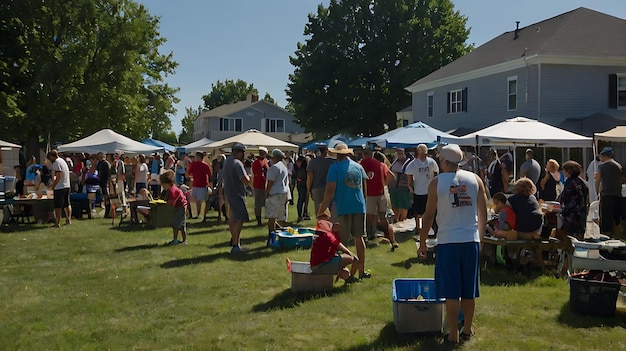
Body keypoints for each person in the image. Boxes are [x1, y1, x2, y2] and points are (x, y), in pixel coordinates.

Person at [417, 144, 487, 344]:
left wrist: (422, 241)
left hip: (448, 241)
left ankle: (453, 333)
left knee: (451, 291)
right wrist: (480, 238)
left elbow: (429, 215)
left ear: (444, 161)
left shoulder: (437, 183)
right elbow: (483, 212)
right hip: (470, 240)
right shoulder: (476, 179)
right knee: (469, 290)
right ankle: (467, 330)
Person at [317, 142, 370, 280]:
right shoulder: (358, 166)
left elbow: (329, 191)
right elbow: (364, 189)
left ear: (336, 154)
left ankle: (345, 273)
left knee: (341, 242)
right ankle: (362, 271)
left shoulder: (334, 168)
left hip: (342, 207)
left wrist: (321, 210)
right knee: (359, 238)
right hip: (359, 206)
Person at [360, 147, 397, 250]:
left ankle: (366, 237)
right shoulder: (381, 164)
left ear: (364, 154)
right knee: (384, 217)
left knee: (369, 217)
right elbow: (391, 175)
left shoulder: (362, 163)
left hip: (370, 194)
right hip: (381, 193)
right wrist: (384, 185)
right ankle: (391, 240)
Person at [311, 210, 359, 283]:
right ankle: (347, 276)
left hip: (316, 265)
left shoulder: (320, 232)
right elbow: (339, 246)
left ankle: (348, 279)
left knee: (345, 272)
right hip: (320, 266)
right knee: (349, 258)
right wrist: (353, 256)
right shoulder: (328, 234)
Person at [222, 143, 251, 253]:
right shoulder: (237, 163)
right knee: (240, 219)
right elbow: (244, 179)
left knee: (233, 219)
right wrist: (250, 178)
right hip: (237, 194)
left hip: (229, 193)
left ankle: (235, 241)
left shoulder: (227, 161)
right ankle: (235, 244)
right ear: (239, 152)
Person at [405, 144, 439, 232]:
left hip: (429, 191)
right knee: (417, 210)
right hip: (418, 191)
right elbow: (409, 176)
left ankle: (426, 226)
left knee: (428, 210)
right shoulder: (414, 164)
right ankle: (417, 226)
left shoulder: (431, 162)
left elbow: (436, 173)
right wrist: (410, 187)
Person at [595, 146, 622, 235]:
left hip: (606, 193)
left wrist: (597, 191)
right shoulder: (618, 166)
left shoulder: (602, 167)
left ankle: (606, 234)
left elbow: (598, 181)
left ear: (605, 156)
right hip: (617, 193)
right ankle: (614, 233)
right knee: (615, 215)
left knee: (606, 215)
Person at [265, 149, 290, 241]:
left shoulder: (274, 168)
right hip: (283, 193)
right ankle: (283, 237)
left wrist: (266, 193)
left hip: (274, 194)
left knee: (272, 216)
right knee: (281, 216)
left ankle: (271, 237)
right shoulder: (284, 167)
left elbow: (270, 182)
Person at [559, 161, 588, 240]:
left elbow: (565, 197)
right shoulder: (581, 181)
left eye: (564, 170)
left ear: (568, 171)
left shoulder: (570, 182)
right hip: (581, 213)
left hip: (572, 214)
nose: (563, 172)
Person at [307, 143, 336, 219]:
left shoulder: (313, 162)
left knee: (319, 212)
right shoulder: (333, 161)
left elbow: (310, 176)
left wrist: (309, 189)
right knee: (330, 211)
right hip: (330, 188)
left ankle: (321, 227)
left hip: (317, 188)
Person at [159, 170, 188, 245]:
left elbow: (172, 201)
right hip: (182, 206)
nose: (162, 186)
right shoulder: (172, 189)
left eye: (163, 185)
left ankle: (176, 240)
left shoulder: (173, 190)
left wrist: (164, 204)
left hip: (180, 208)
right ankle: (184, 240)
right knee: (181, 225)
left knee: (176, 224)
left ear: (167, 183)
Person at [47, 150, 72, 228]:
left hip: (60, 187)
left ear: (52, 156)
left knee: (57, 206)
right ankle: (68, 219)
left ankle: (57, 222)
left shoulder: (56, 163)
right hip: (67, 185)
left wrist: (53, 186)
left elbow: (58, 175)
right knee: (67, 204)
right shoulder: (62, 161)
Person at [388, 148, 412, 224]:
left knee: (403, 205)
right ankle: (396, 219)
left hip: (403, 187)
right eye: (398, 153)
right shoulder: (395, 161)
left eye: (401, 153)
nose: (399, 154)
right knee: (395, 204)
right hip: (394, 187)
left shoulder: (408, 162)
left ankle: (403, 220)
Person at [186, 151, 212, 219]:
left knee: (194, 200)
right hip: (202, 184)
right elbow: (209, 174)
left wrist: (191, 177)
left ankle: (196, 214)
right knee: (199, 200)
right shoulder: (205, 165)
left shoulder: (193, 164)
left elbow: (188, 173)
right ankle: (198, 214)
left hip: (198, 184)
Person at [251, 146, 270, 226]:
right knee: (258, 203)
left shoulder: (265, 161)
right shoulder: (257, 162)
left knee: (266, 203)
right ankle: (259, 220)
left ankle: (267, 218)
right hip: (259, 185)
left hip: (263, 184)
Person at [294, 155, 310, 222]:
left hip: (302, 185)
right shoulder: (303, 169)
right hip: (303, 186)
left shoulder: (301, 169)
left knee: (302, 200)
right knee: (301, 200)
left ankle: (302, 215)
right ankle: (300, 215)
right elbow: (299, 178)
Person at [97, 152, 112, 218]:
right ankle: (106, 211)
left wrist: (108, 184)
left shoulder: (105, 163)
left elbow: (109, 175)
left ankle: (108, 212)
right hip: (101, 183)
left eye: (101, 156)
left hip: (105, 183)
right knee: (105, 197)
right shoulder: (99, 163)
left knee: (107, 197)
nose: (100, 158)